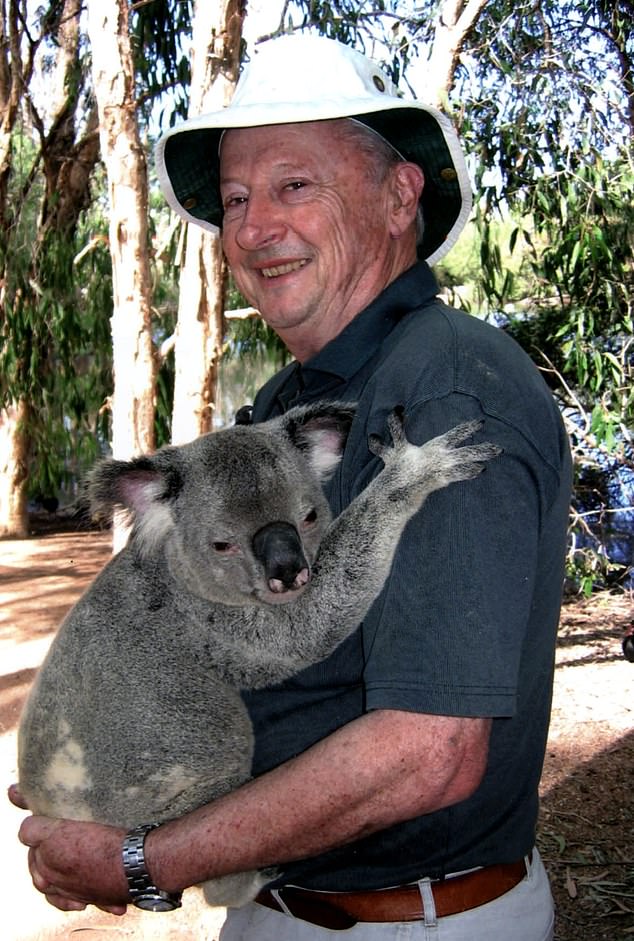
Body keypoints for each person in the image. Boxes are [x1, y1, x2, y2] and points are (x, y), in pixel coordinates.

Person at [10, 33, 572, 940]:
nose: (254, 226)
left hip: (410, 920)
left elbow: (428, 751)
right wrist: (103, 772)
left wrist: (141, 861)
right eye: (235, 198)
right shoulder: (288, 407)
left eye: (294, 185)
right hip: (281, 900)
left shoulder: (445, 387)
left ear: (399, 197)